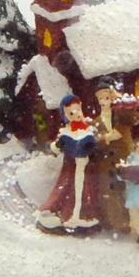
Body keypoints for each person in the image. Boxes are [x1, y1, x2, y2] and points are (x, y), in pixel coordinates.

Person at [36, 95, 99, 233]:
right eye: (71, 113)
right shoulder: (66, 131)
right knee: (67, 189)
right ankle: (67, 215)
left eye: (78, 110)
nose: (76, 114)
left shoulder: (88, 128)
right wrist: (58, 145)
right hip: (70, 168)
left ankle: (83, 217)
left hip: (85, 169)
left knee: (85, 191)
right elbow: (55, 148)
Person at [92, 77, 131, 233]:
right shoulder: (95, 121)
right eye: (100, 98)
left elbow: (133, 116)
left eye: (107, 98)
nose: (103, 102)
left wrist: (119, 98)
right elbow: (94, 140)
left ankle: (127, 220)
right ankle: (113, 221)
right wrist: (106, 138)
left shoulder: (121, 116)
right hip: (106, 163)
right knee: (108, 192)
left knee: (125, 190)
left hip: (122, 158)